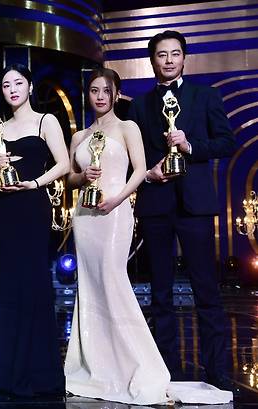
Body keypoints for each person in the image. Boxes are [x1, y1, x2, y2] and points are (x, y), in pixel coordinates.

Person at [64, 68, 232, 405]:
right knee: (92, 286)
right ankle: (100, 365)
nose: (99, 96)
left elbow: (140, 170)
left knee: (114, 281)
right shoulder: (79, 137)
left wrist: (119, 198)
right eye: (94, 90)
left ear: (115, 94)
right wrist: (83, 176)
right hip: (85, 216)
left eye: (106, 90)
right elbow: (69, 179)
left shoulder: (128, 127)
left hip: (115, 212)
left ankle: (139, 363)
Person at [127, 30, 236, 390]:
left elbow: (226, 141)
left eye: (175, 54)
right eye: (162, 55)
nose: (169, 60)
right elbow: (134, 157)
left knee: (206, 290)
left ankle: (217, 371)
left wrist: (190, 145)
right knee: (159, 293)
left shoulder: (206, 96)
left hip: (195, 206)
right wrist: (148, 172)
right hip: (156, 204)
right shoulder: (139, 106)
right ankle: (165, 370)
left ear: (184, 58)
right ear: (152, 60)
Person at [0, 64, 69, 397]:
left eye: (18, 83)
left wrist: (35, 182)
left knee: (34, 285)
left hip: (33, 206)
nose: (13, 89)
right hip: (5, 211)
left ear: (30, 86)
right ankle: (10, 373)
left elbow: (63, 163)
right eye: (6, 85)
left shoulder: (47, 121)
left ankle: (41, 373)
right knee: (8, 287)